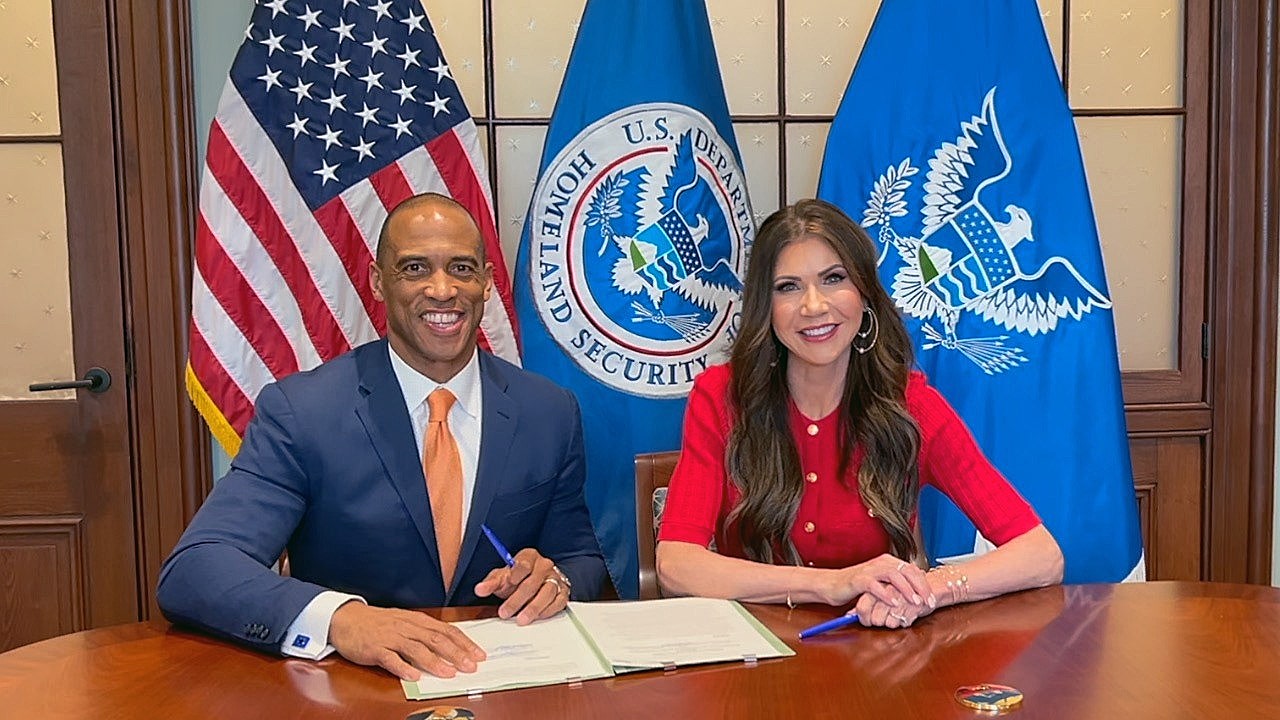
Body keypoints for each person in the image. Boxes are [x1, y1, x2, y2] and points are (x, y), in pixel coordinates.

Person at [158, 193, 606, 680]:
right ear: (378, 282)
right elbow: (197, 568)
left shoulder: (548, 411)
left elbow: (580, 558)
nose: (443, 290)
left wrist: (554, 580)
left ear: (486, 282)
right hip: (355, 686)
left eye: (461, 269)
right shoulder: (302, 412)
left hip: (503, 681)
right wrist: (342, 619)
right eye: (415, 269)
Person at [655, 199, 1062, 628]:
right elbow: (676, 563)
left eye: (834, 279)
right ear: (764, 307)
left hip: (877, 648)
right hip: (757, 650)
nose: (814, 306)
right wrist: (830, 584)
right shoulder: (722, 397)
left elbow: (1041, 554)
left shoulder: (911, 406)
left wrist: (931, 590)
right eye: (788, 287)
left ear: (865, 293)